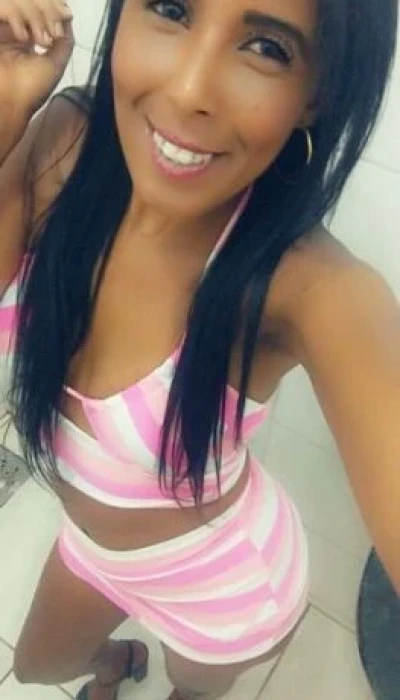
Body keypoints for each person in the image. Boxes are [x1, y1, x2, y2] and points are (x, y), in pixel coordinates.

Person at [0, 0, 399, 698]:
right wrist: (7, 108)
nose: (189, 90)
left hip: (224, 584)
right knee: (38, 667)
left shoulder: (312, 289)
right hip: (94, 550)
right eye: (171, 9)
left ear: (315, 96)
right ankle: (115, 663)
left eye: (267, 48)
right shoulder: (65, 144)